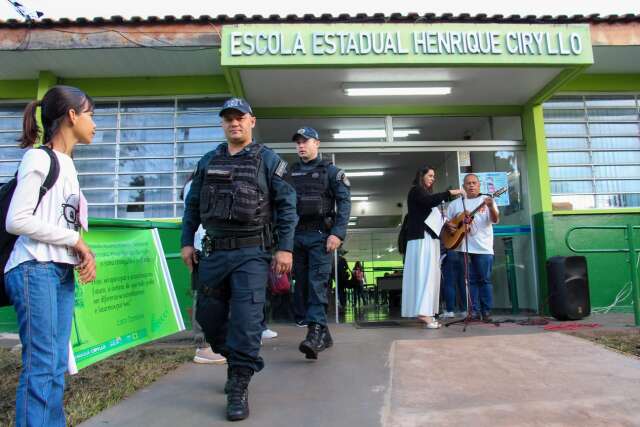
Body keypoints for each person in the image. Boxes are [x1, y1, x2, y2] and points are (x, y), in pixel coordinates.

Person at [181, 98, 297, 421]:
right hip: (215, 252)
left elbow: (288, 206)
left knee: (247, 323)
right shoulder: (208, 161)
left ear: (252, 122)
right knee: (210, 319)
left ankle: (238, 386)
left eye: (240, 118)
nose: (234, 123)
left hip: (252, 254)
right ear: (222, 124)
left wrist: (285, 248)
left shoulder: (269, 160)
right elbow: (192, 206)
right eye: (229, 119)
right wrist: (186, 242)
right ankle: (237, 361)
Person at [4, 85, 97, 427]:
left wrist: (81, 253)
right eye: (90, 114)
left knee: (57, 362)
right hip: (33, 268)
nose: (94, 124)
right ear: (72, 115)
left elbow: (62, 223)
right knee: (42, 363)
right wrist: (74, 240)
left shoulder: (68, 166)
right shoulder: (38, 158)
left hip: (58, 271)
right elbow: (17, 220)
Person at [289, 127, 351, 360]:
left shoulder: (332, 172)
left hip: (320, 237)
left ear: (317, 143)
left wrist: (338, 233)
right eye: (298, 143)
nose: (301, 146)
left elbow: (344, 204)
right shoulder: (290, 173)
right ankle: (323, 334)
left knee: (317, 284)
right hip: (296, 237)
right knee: (302, 287)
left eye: (305, 141)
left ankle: (314, 334)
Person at [401, 166, 464, 328]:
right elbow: (429, 202)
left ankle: (423, 311)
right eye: (430, 175)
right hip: (423, 239)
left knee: (426, 275)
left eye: (434, 176)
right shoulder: (416, 191)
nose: (433, 178)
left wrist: (446, 224)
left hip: (426, 239)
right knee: (426, 275)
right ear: (421, 176)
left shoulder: (421, 194)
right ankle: (424, 313)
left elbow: (429, 212)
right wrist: (450, 193)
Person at [182, 177, 226, 365]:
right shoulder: (199, 182)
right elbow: (191, 214)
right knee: (202, 295)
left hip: (211, 244)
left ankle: (212, 342)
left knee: (213, 295)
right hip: (202, 245)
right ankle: (203, 345)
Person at [445, 173, 499, 322]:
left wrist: (490, 207)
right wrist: (451, 227)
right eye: (468, 183)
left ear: (479, 185)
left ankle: (486, 312)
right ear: (463, 186)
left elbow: (495, 219)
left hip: (483, 248)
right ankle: (474, 312)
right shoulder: (456, 204)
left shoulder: (487, 200)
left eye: (474, 183)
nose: (471, 185)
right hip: (464, 248)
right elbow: (447, 223)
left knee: (484, 280)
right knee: (470, 281)